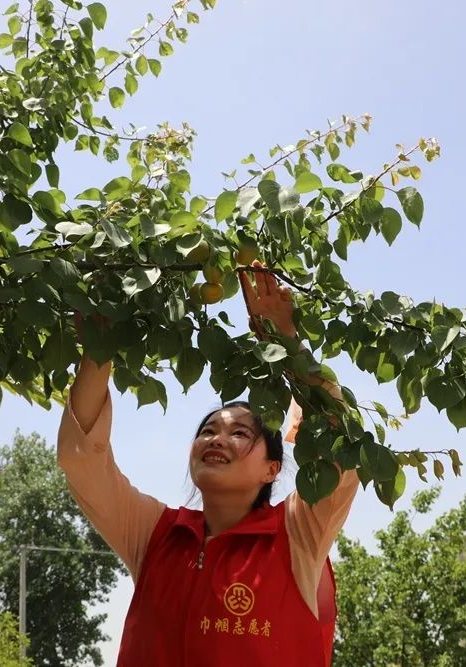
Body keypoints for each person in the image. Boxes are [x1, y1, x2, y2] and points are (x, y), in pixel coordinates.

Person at [57, 265, 358, 666]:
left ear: (272, 469)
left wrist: (287, 342)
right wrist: (98, 354)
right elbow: (82, 460)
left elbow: (340, 449)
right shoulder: (155, 534)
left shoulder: (296, 536)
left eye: (240, 433)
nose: (217, 439)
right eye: (208, 430)